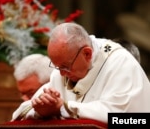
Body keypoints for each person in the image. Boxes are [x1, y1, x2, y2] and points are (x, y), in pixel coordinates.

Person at [11, 22, 150, 123]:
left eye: (65, 67)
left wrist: (63, 108)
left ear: (87, 54)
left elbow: (124, 118)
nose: (61, 74)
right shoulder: (62, 67)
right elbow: (24, 111)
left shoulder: (120, 64)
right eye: (56, 67)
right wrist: (41, 110)